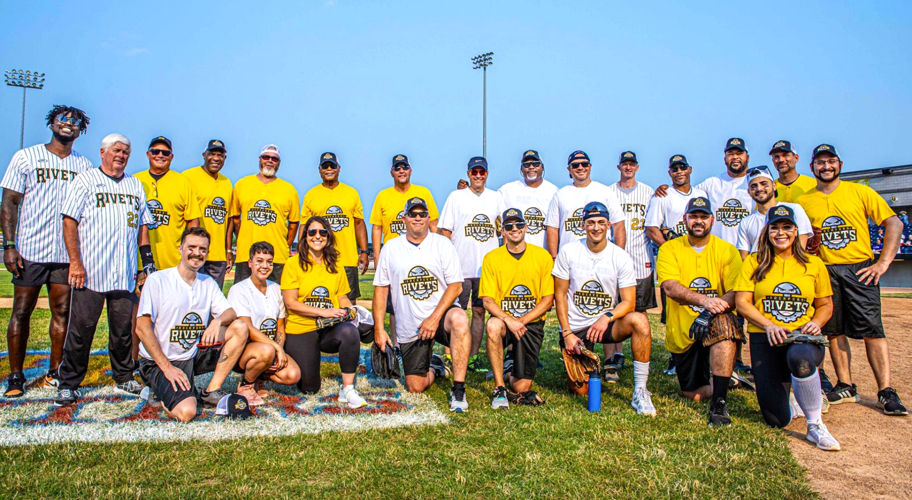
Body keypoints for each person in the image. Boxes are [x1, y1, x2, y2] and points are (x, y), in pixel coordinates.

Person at [798, 144, 907, 415]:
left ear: (840, 164)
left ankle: (885, 390)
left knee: (873, 331)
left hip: (859, 268)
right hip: (825, 270)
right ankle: (846, 385)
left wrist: (883, 263)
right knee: (834, 331)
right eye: (820, 163)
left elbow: (894, 223)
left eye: (831, 161)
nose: (826, 167)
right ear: (812, 167)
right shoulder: (804, 199)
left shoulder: (859, 191)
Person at [54, 134, 156, 406]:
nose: (121, 155)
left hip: (123, 273)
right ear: (103, 152)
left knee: (123, 330)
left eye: (125, 152)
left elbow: (142, 227)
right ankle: (69, 382)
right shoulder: (86, 180)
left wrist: (147, 263)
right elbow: (69, 221)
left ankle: (123, 376)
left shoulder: (135, 185)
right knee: (81, 330)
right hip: (91, 272)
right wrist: (75, 262)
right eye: (116, 150)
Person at [1, 105, 93, 397]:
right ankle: (16, 375)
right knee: (21, 311)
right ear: (52, 123)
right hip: (30, 249)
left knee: (62, 312)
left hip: (66, 255)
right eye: (63, 119)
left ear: (81, 130)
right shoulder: (25, 157)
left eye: (75, 122)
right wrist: (10, 245)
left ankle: (55, 371)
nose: (68, 124)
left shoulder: (85, 166)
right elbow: (9, 203)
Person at [735, 205, 841, 450]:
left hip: (801, 337)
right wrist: (768, 324)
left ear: (796, 231)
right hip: (766, 337)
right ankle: (793, 393)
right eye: (775, 227)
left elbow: (825, 304)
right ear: (767, 232)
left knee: (801, 359)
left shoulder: (813, 264)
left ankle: (815, 425)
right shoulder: (754, 261)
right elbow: (742, 302)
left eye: (786, 227)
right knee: (776, 420)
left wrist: (816, 322)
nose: (780, 233)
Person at [135, 227, 249, 422]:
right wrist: (167, 368)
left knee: (240, 328)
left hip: (191, 354)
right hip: (160, 360)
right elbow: (142, 328)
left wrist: (218, 321)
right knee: (187, 412)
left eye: (202, 249)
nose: (197, 253)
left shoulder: (207, 282)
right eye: (192, 247)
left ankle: (211, 390)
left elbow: (231, 312)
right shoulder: (158, 280)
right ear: (180, 248)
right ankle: (155, 389)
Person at [553, 201, 656, 416]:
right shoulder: (569, 251)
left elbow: (629, 302)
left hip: (605, 325)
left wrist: (607, 316)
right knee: (580, 391)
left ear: (608, 224)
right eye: (591, 222)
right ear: (583, 226)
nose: (596, 227)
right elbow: (560, 295)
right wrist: (567, 333)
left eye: (601, 222)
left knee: (640, 320)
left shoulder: (620, 256)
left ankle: (640, 390)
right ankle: (589, 364)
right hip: (577, 329)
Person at [372, 197, 471, 412]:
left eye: (422, 214)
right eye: (413, 214)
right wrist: (379, 329)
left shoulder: (442, 244)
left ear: (428, 218)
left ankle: (459, 388)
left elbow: (456, 286)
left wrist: (434, 319)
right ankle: (436, 366)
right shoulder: (391, 248)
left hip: (441, 317)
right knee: (416, 386)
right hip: (411, 325)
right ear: (404, 218)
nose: (418, 218)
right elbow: (381, 290)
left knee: (460, 319)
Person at [657, 197, 743, 426]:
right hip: (685, 332)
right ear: (684, 219)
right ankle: (726, 378)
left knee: (724, 324)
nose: (698, 221)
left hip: (714, 325)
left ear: (712, 220)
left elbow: (736, 293)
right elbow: (671, 288)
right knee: (693, 395)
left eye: (703, 216)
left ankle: (719, 403)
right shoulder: (669, 248)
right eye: (693, 216)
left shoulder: (727, 250)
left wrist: (709, 312)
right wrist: (705, 301)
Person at [281, 216, 371, 408]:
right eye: (312, 232)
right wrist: (324, 312)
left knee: (349, 331)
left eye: (322, 232)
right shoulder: (293, 263)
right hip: (301, 328)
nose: (317, 236)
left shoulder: (335, 264)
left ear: (328, 237)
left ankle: (347, 389)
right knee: (309, 388)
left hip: (328, 328)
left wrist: (352, 311)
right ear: (305, 236)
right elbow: (291, 303)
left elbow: (343, 298)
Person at [480, 208, 554, 408]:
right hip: (506, 323)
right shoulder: (492, 258)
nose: (515, 229)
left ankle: (509, 367)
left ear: (526, 227)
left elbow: (548, 300)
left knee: (521, 388)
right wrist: (510, 320)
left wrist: (520, 321)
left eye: (519, 224)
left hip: (530, 324)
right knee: (493, 325)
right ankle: (499, 386)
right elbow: (487, 300)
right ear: (502, 231)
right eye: (509, 226)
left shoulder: (542, 256)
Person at [438, 156, 502, 373]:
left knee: (479, 312)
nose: (477, 176)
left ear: (487, 174)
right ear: (468, 174)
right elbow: (445, 231)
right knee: (454, 311)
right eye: (474, 172)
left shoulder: (496, 197)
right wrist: (446, 263)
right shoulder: (456, 197)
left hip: (486, 268)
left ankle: (473, 356)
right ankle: (450, 355)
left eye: (481, 172)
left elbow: (504, 227)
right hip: (460, 267)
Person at [644, 154, 706, 376]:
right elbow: (652, 228)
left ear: (689, 170)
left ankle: (702, 351)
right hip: (675, 257)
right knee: (672, 309)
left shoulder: (701, 194)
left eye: (682, 168)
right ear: (669, 173)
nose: (679, 172)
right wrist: (669, 249)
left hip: (698, 255)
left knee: (697, 303)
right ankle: (674, 356)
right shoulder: (663, 196)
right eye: (674, 169)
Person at [369, 154, 440, 341]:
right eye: (397, 168)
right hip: (396, 258)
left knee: (423, 297)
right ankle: (399, 344)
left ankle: (429, 341)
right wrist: (377, 258)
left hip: (422, 255)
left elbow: (433, 224)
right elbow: (376, 228)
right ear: (391, 172)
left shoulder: (423, 192)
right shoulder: (383, 195)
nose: (401, 171)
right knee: (394, 306)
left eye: (404, 167)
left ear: (410, 170)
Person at [603, 151, 656, 382]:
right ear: (618, 166)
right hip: (613, 257)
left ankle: (639, 357)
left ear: (637, 167)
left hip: (640, 256)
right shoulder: (609, 192)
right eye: (624, 163)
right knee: (614, 308)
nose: (628, 167)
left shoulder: (648, 192)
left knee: (639, 311)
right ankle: (615, 355)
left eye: (631, 164)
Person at [227, 241, 301, 406]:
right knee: (266, 350)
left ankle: (258, 375)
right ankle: (246, 385)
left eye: (269, 261)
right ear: (250, 263)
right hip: (244, 351)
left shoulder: (276, 288)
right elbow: (248, 329)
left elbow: (280, 325)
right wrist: (276, 349)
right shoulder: (239, 290)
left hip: (268, 349)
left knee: (293, 374)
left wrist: (278, 349)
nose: (264, 266)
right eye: (259, 261)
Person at [301, 152, 370, 302]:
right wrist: (302, 250)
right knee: (321, 299)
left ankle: (349, 327)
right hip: (319, 259)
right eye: (325, 166)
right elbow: (304, 227)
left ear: (339, 168)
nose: (329, 169)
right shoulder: (311, 194)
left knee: (349, 303)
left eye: (332, 166)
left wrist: (364, 251)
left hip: (347, 258)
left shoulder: (351, 193)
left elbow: (358, 223)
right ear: (319, 170)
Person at [229, 145, 300, 283]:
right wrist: (243, 239)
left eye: (274, 159)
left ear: (278, 163)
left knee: (276, 300)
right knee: (242, 299)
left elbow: (293, 223)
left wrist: (285, 245)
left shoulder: (289, 190)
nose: (269, 161)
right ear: (259, 159)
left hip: (277, 256)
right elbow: (236, 219)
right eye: (266, 157)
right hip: (246, 254)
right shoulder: (242, 184)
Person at [135, 136, 200, 270]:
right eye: (155, 151)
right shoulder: (135, 180)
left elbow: (193, 221)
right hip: (138, 261)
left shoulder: (182, 182)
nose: (160, 155)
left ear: (171, 157)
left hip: (173, 262)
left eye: (165, 153)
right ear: (148, 154)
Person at [545, 150, 625, 256]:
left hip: (602, 256)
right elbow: (552, 228)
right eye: (575, 165)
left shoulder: (605, 192)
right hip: (569, 257)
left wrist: (619, 255)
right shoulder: (560, 194)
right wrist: (554, 258)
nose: (580, 167)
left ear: (590, 166)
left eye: (584, 164)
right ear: (569, 169)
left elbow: (618, 225)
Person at [183, 140, 233, 287]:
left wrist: (228, 250)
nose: (216, 158)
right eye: (212, 154)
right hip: (195, 252)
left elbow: (229, 220)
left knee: (214, 302)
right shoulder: (188, 177)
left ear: (225, 158)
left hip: (217, 254)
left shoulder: (227, 183)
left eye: (220, 155)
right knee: (190, 299)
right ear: (204, 155)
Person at [736, 165, 812, 259]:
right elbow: (744, 258)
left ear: (774, 186)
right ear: (749, 192)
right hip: (759, 271)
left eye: (764, 184)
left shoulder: (794, 210)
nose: (759, 189)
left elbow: (801, 249)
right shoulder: (746, 222)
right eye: (754, 186)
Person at [496, 149, 558, 250]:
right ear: (521, 169)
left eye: (535, 164)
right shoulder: (507, 190)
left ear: (542, 167)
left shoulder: (554, 192)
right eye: (526, 165)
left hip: (543, 256)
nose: (531, 167)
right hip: (514, 255)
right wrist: (466, 192)